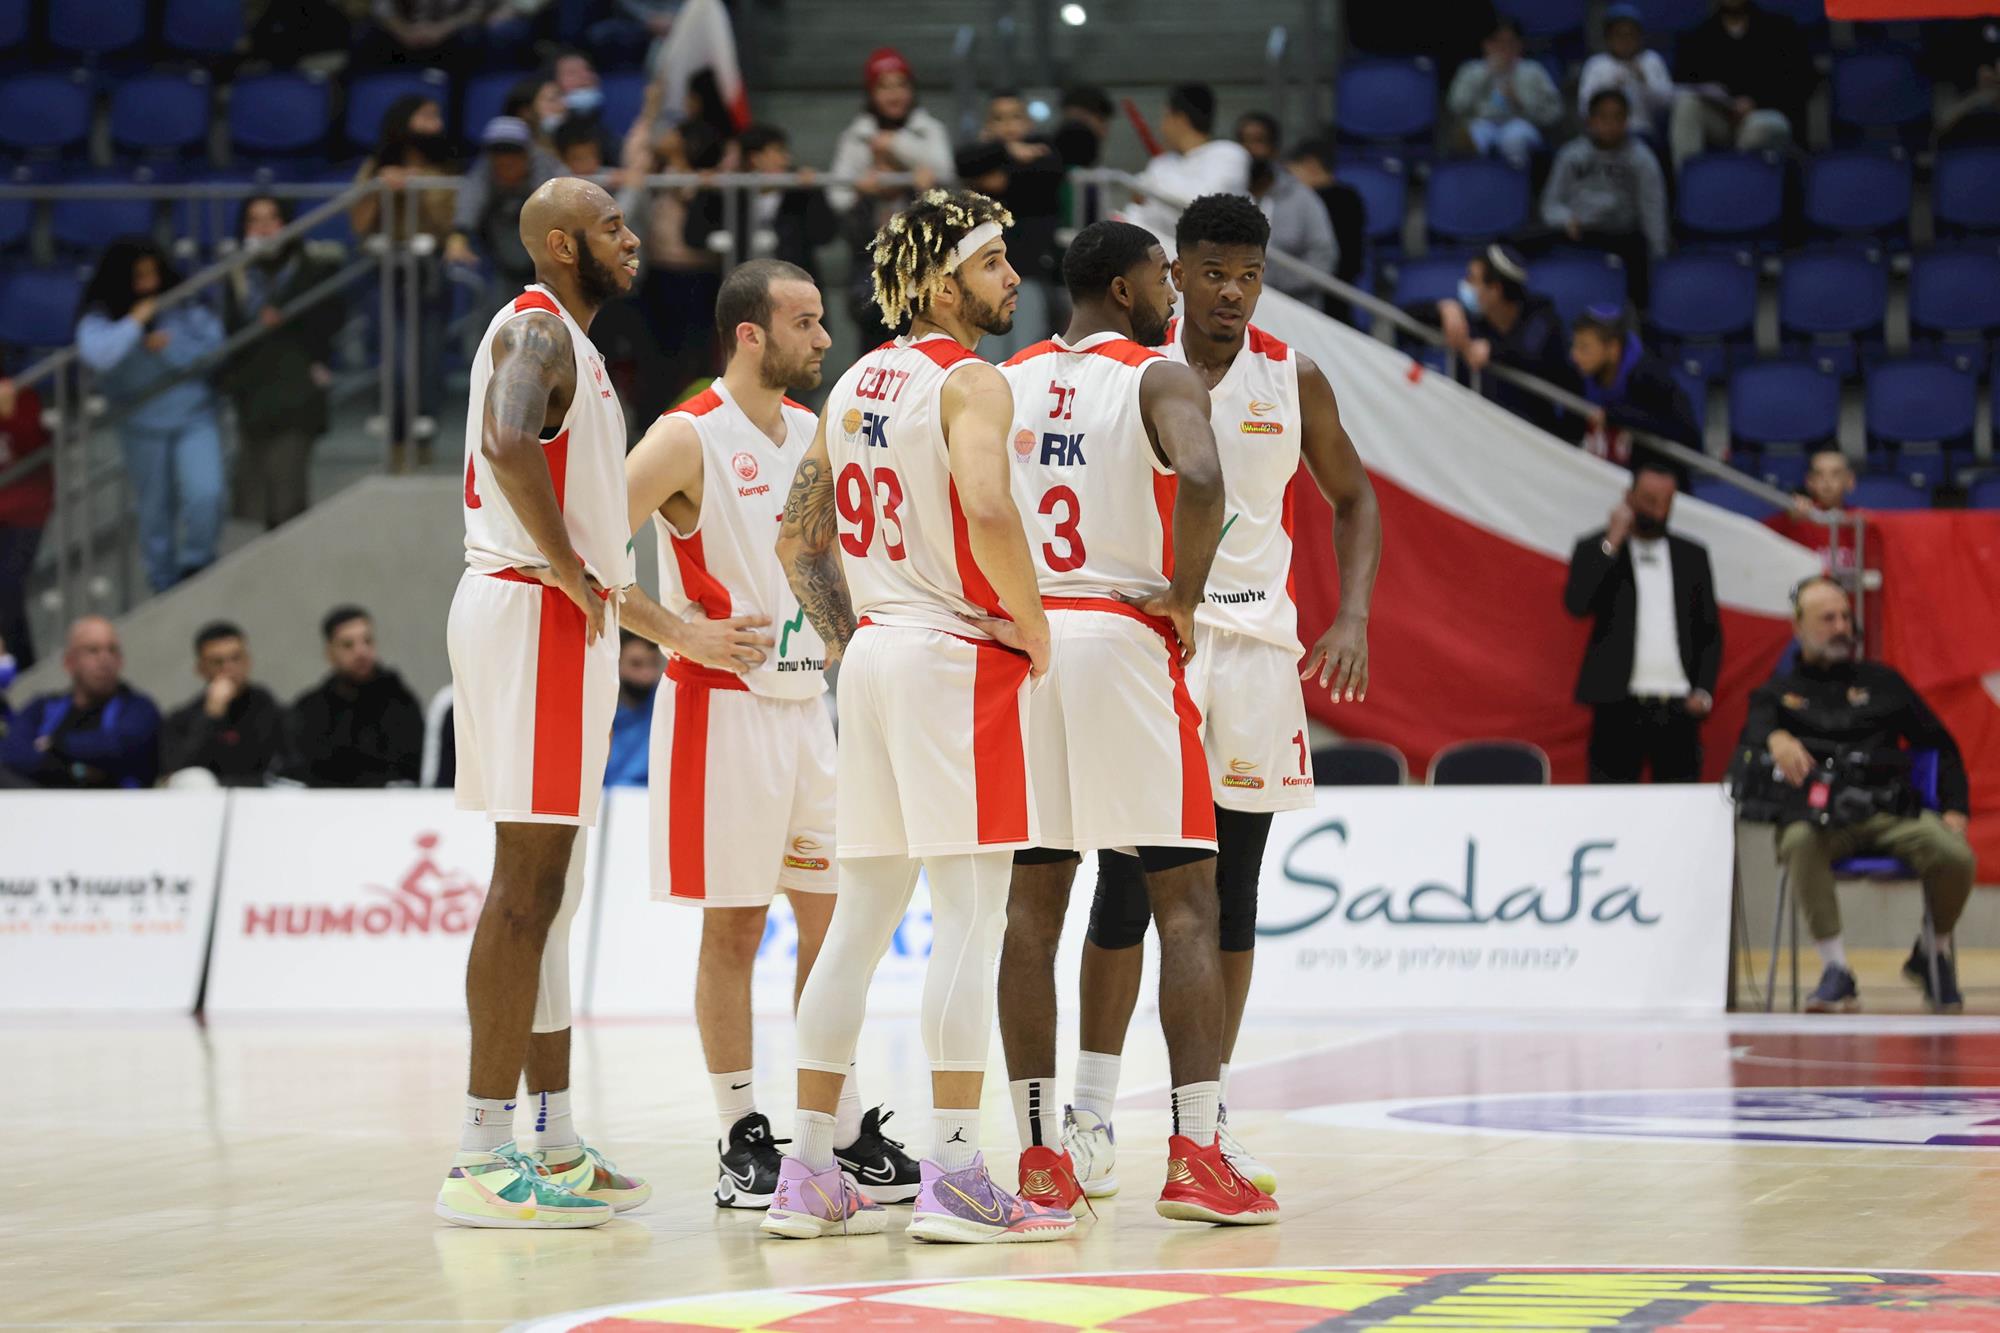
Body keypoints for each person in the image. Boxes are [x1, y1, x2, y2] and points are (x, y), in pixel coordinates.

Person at [440, 176, 757, 1229]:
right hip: (530, 612)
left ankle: (553, 1138)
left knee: (556, 892)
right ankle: (480, 1153)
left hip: (550, 614)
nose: (633, 239)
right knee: (525, 888)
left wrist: (617, 601)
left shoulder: (573, 343)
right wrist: (573, 570)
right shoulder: (536, 330)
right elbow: (505, 443)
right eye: (613, 226)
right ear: (564, 244)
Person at [760, 189, 1066, 1244]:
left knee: (858, 922)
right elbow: (985, 505)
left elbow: (795, 539)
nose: (1012, 278)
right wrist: (1034, 625)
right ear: (942, 284)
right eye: (992, 263)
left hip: (878, 655)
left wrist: (850, 641)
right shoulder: (971, 380)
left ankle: (807, 1171)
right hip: (952, 657)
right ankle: (955, 1173)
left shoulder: (851, 381)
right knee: (972, 919)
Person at [1069, 195, 1383, 1202]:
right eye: (1212, 272)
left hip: (1252, 655)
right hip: (1151, 643)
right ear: (1176, 273)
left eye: (1248, 276)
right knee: (1124, 884)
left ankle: (1202, 1121)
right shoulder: (1131, 369)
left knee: (1233, 892)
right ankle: (1087, 1113)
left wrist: (1352, 615)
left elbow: (1355, 498)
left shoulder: (1292, 376)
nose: (1232, 293)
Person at [995, 219, 1277, 1227]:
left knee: (1031, 911)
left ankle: (1041, 1158)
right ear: (1123, 288)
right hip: (1120, 633)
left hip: (1028, 643)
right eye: (1163, 275)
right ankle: (1195, 1153)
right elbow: (1202, 476)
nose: (1174, 291)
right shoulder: (1157, 377)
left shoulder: (1006, 378)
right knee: (1187, 901)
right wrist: (1186, 594)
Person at [625, 257, 919, 1211]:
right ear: (750, 333)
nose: (825, 337)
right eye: (806, 321)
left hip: (809, 715)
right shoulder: (685, 435)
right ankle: (738, 1131)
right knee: (736, 927)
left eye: (824, 320)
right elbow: (580, 548)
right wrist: (676, 632)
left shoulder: (813, 430)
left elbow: (826, 557)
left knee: (835, 926)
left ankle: (838, 1127)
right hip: (722, 709)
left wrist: (846, 637)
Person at [1743, 577, 1976, 1013]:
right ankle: (1836, 971)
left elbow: (1940, 745)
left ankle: (1931, 953)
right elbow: (1749, 745)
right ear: (1798, 627)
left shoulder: (1883, 682)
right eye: (1827, 619)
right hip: (1822, 820)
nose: (1841, 627)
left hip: (1891, 811)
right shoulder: (1776, 694)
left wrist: (1956, 809)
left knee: (1956, 855)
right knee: (1797, 841)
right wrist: (1774, 738)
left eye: (1845, 617)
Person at [76, 239, 226, 594]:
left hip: (193, 415)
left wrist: (169, 349)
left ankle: (197, 563)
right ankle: (163, 581)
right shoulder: (99, 316)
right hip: (140, 424)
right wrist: (134, 324)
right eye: (139, 276)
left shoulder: (183, 303)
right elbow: (101, 356)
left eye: (153, 273)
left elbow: (216, 348)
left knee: (207, 492)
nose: (149, 283)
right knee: (155, 509)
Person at [1563, 460, 1722, 784]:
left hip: (1678, 707)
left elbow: (1709, 632)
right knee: (1611, 803)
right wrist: (1612, 541)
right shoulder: (1598, 547)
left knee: (1679, 803)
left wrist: (1704, 691)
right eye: (1649, 500)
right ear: (1629, 496)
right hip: (1617, 706)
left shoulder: (1691, 556)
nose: (1658, 510)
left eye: (1666, 502)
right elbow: (1578, 604)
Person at [220, 195, 342, 530]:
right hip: (251, 395)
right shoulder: (236, 273)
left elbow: (331, 322)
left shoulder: (313, 268)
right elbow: (228, 331)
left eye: (271, 218)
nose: (263, 228)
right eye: (254, 220)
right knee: (258, 503)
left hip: (297, 391)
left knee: (288, 498)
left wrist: (286, 319)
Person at [351, 95, 458, 472]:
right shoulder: (374, 167)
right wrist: (381, 190)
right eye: (426, 116)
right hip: (385, 270)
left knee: (429, 360)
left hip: (430, 270)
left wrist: (418, 189)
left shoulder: (446, 169)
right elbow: (358, 224)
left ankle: (423, 440)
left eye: (437, 116)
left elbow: (450, 224)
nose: (435, 124)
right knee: (394, 359)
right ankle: (396, 439)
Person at [827, 47, 957, 344]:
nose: (894, 94)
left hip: (922, 256)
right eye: (884, 86)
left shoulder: (930, 130)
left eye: (901, 85)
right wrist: (863, 189)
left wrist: (894, 146)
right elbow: (838, 194)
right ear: (871, 92)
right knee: (873, 343)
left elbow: (944, 173)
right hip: (870, 256)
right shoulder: (856, 135)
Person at [1420, 244, 1583, 441]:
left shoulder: (1542, 318)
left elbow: (1530, 352)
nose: (1465, 284)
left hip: (1532, 438)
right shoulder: (1470, 317)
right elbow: (1403, 317)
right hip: (1476, 435)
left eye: (1472, 279)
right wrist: (1443, 308)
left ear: (1495, 289)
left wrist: (1492, 351)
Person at [0, 615, 160, 789]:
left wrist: (54, 744)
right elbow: (11, 753)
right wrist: (78, 772)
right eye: (93, 650)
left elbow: (119, 748)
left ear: (121, 660)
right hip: (43, 801)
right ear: (69, 662)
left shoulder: (138, 709)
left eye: (112, 650)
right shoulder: (42, 709)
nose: (104, 659)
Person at [1540, 90, 1667, 306]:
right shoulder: (1571, 155)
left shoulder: (1642, 159)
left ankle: (1637, 313)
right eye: (1603, 117)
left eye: (1617, 117)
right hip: (1579, 232)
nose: (1610, 124)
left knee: (1639, 250)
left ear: (1627, 121)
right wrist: (1566, 219)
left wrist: (1658, 257)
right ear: (1590, 121)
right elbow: (1550, 204)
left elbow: (1653, 210)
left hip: (1621, 235)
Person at [283, 606, 425, 789]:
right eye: (348, 645)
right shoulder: (310, 710)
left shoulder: (401, 703)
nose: (361, 652)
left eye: (367, 641)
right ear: (329, 653)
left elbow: (411, 770)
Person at [685, 124, 840, 282]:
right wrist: (705, 193)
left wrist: (814, 193)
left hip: (794, 285)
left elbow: (824, 236)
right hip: (744, 286)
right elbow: (694, 237)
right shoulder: (732, 195)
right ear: (755, 158)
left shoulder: (798, 192)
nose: (786, 159)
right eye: (778, 151)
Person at [1670, 0, 1810, 169]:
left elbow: (1798, 82)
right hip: (1721, 118)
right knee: (1686, 105)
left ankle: (1737, 180)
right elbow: (1683, 85)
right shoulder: (1698, 36)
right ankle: (1691, 181)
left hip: (1765, 114)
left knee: (1761, 126)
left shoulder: (1779, 28)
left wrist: (1756, 102)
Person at [1570, 305, 1700, 466]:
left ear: (1613, 348)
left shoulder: (1650, 377)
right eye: (1574, 345)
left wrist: (1616, 415)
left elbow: (1688, 436)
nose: (1574, 355)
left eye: (1584, 347)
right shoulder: (1582, 371)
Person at [160, 621, 284, 787]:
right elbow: (177, 772)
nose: (228, 668)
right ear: (200, 668)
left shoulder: (267, 707)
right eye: (217, 662)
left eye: (236, 658)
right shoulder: (182, 720)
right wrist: (211, 716)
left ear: (248, 661)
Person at [1130, 83, 1253, 247]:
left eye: (1165, 117)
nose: (1161, 127)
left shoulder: (1229, 154)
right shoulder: (1161, 164)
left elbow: (1205, 204)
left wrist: (1148, 185)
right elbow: (1141, 214)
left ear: (1180, 119)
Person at [1235, 114, 1338, 305]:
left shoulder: (1301, 198)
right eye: (1242, 141)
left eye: (1258, 141)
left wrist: (1270, 284)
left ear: (1274, 149)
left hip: (1292, 308)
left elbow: (1323, 259)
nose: (1248, 149)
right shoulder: (1227, 195)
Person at [1448, 18, 1564, 169]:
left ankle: (1516, 182)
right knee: (1474, 136)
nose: (1503, 48)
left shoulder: (1533, 71)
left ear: (1519, 44)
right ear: (1486, 44)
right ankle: (1477, 180)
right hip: (1481, 122)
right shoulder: (1471, 70)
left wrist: (1520, 102)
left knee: (1513, 138)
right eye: (1497, 42)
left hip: (1522, 123)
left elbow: (1555, 111)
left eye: (1510, 42)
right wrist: (1486, 74)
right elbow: (1456, 106)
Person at [1284, 140, 1369, 319]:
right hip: (1329, 286)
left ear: (1311, 165)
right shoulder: (1350, 197)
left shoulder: (1314, 202)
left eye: (1292, 172)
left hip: (1326, 289)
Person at [0, 370, 49, 671]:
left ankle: (23, 670)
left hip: (23, 510)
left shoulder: (17, 391)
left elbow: (36, 447)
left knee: (6, 587)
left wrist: (8, 415)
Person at [1579, 4, 1675, 141]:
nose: (1625, 40)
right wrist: (1611, 86)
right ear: (1608, 38)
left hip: (1642, 133)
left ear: (1640, 37)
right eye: (1619, 35)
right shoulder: (1596, 64)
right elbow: (1584, 108)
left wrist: (1644, 81)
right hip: (1603, 134)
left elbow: (1668, 104)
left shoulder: (1651, 60)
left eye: (1630, 34)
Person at [1766, 447, 1861, 576]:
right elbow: (1757, 538)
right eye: (1819, 474)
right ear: (1810, 482)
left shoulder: (1860, 520)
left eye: (1836, 474)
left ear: (1850, 480)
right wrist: (1787, 520)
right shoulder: (1796, 517)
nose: (1827, 481)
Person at [602, 631, 660, 787]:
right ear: (617, 663)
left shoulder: (665, 710)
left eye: (653, 664)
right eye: (636, 664)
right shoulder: (599, 709)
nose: (646, 674)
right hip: (603, 796)